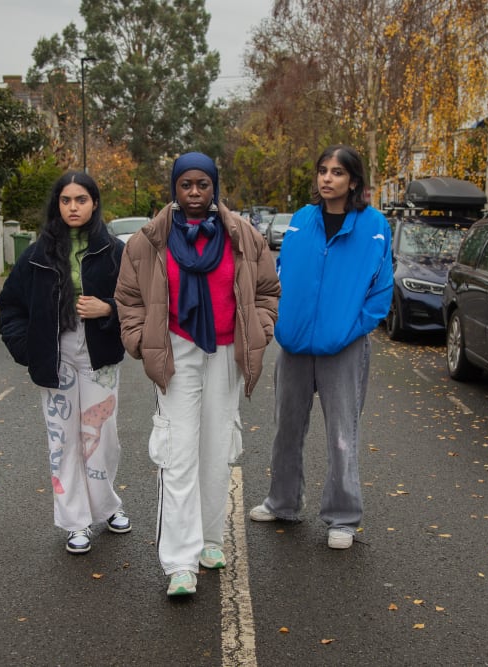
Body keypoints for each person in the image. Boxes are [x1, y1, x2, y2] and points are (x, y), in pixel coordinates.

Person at [115, 152, 280, 596]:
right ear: (174, 188)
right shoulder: (148, 241)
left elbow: (267, 290)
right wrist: (139, 339)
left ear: (214, 188)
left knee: (217, 448)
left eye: (202, 185)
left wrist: (261, 329)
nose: (193, 193)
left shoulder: (241, 235)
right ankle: (180, 562)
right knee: (178, 452)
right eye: (185, 184)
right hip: (176, 351)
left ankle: (209, 541)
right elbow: (128, 298)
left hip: (228, 351)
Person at [249, 144, 393, 549]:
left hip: (344, 347)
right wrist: (282, 318)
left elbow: (381, 292)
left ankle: (343, 518)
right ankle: (283, 502)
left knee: (342, 434)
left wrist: (348, 328)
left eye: (337, 172)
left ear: (353, 181)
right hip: (294, 345)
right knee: (286, 428)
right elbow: (279, 276)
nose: (327, 178)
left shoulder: (375, 226)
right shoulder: (301, 220)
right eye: (322, 171)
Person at [0, 171, 130, 555]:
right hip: (55, 358)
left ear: (94, 203)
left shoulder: (114, 251)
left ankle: (106, 508)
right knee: (63, 441)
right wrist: (27, 348)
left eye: (81, 200)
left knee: (101, 440)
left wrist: (108, 308)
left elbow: (139, 302)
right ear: (58, 204)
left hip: (99, 356)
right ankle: (75, 523)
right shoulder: (37, 254)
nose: (73, 207)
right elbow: (11, 307)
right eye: (66, 200)